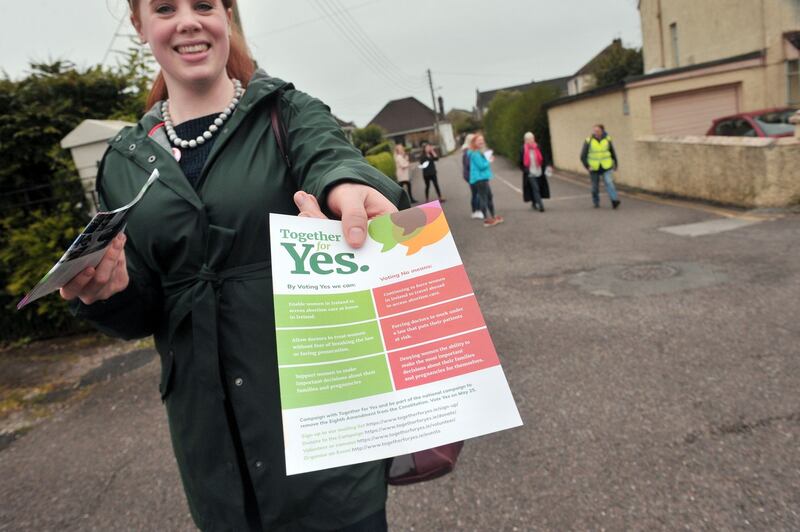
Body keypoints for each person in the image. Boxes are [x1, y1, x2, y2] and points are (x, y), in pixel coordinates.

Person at [58, 1, 407, 530]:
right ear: (140, 25)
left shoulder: (287, 113)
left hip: (327, 439)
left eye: (204, 4)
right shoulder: (123, 162)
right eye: (165, 8)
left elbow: (330, 158)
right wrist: (107, 292)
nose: (188, 21)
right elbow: (143, 312)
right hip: (213, 461)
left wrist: (349, 186)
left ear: (227, 17)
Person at [580, 124, 621, 209]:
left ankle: (614, 201)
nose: (596, 132)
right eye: (594, 131)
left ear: (602, 131)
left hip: (606, 166)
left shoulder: (607, 139)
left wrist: (615, 163)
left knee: (609, 183)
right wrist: (587, 166)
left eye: (597, 131)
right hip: (594, 167)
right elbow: (583, 156)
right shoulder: (589, 140)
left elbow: (612, 152)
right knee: (595, 187)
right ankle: (596, 202)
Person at [468, 134, 503, 227]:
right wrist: (489, 161)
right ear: (474, 142)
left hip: (482, 178)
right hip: (480, 179)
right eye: (479, 140)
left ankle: (493, 216)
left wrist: (487, 159)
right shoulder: (475, 153)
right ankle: (487, 220)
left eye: (482, 140)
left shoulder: (478, 152)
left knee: (489, 197)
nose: (481, 141)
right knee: (484, 198)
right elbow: (481, 166)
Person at [520, 132, 545, 212]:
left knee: (537, 188)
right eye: (529, 139)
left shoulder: (538, 147)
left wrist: (547, 166)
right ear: (525, 140)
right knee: (535, 188)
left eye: (532, 138)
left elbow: (544, 157)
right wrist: (525, 170)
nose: (531, 140)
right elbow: (520, 162)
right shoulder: (523, 149)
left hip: (538, 171)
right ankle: (541, 205)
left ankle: (534, 202)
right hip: (530, 173)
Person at [461, 133, 481, 219]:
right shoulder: (468, 152)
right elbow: (469, 165)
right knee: (476, 193)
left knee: (475, 193)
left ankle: (476, 210)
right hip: (472, 176)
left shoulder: (468, 151)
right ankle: (476, 211)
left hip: (470, 175)